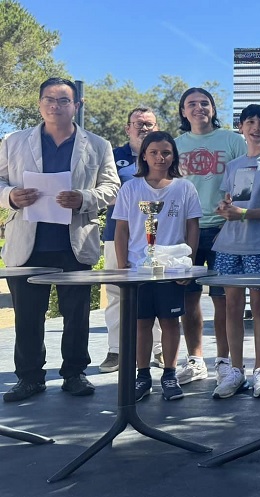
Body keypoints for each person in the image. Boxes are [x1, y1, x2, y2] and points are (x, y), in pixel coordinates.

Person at [0, 77, 119, 402]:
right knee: (27, 315)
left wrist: (83, 198)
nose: (56, 105)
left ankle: (75, 373)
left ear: (76, 106)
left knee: (77, 315)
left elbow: (112, 189)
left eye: (64, 100)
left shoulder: (98, 145)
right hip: (27, 244)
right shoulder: (13, 141)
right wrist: (11, 195)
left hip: (75, 243)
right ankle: (29, 378)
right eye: (50, 99)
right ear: (39, 104)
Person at [112, 131, 201, 401]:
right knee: (142, 323)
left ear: (173, 155)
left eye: (166, 152)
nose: (160, 157)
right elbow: (122, 230)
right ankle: (142, 377)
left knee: (171, 322)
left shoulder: (185, 187)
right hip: (140, 269)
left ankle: (170, 375)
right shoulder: (131, 188)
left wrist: (188, 264)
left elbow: (192, 227)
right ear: (144, 156)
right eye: (154, 152)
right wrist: (123, 266)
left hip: (172, 270)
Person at [211, 104, 260, 400]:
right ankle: (235, 369)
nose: (256, 127)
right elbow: (231, 203)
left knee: (259, 305)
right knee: (232, 305)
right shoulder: (233, 166)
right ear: (241, 127)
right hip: (229, 244)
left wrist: (243, 214)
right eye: (250, 122)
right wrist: (226, 210)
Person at [174, 88, 247, 386]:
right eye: (192, 104)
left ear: (214, 110)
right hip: (186, 231)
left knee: (225, 301)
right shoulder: (175, 144)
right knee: (189, 300)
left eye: (205, 103)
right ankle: (196, 360)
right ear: (183, 112)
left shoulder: (232, 140)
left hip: (223, 229)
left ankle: (224, 361)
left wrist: (236, 206)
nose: (199, 108)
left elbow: (246, 179)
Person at [99, 106, 164, 374]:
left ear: (157, 128)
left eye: (149, 124)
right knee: (115, 293)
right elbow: (104, 191)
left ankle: (159, 350)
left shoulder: (163, 156)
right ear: (127, 128)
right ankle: (116, 349)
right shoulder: (114, 157)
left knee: (158, 290)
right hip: (118, 234)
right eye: (137, 123)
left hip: (157, 234)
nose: (143, 128)